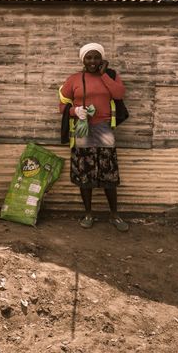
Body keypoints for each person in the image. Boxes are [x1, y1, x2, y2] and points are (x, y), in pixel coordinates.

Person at [58, 43, 128, 231]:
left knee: (109, 171)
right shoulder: (74, 79)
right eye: (89, 57)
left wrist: (104, 74)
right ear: (83, 59)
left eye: (96, 57)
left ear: (102, 59)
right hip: (82, 129)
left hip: (104, 128)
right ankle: (88, 214)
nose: (93, 61)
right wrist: (75, 110)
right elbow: (62, 105)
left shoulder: (111, 76)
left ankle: (114, 215)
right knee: (84, 171)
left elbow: (119, 94)